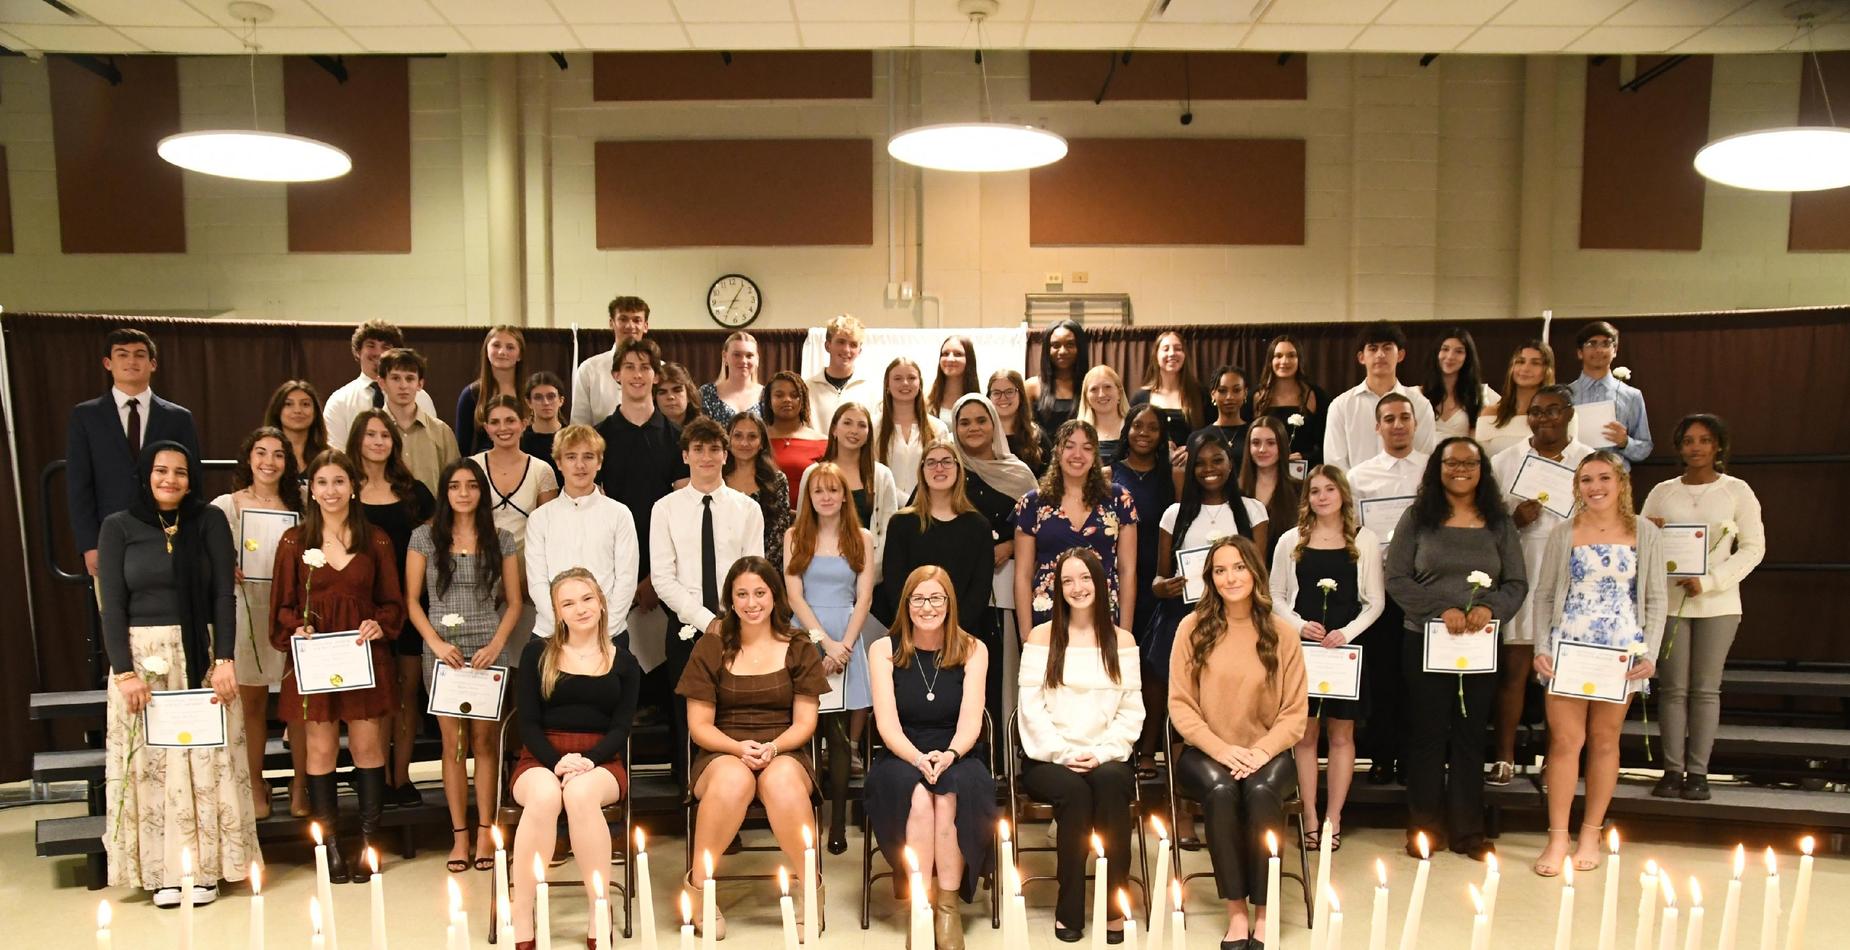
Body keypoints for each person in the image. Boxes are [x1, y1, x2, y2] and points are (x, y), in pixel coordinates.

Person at [101, 441, 255, 904]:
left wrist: (224, 659)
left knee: (206, 762)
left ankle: (205, 869)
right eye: (161, 471)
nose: (171, 480)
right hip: (143, 660)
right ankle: (165, 872)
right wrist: (125, 673)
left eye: (181, 472)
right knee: (154, 765)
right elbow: (111, 606)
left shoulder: (208, 521)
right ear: (146, 474)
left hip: (202, 652)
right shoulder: (118, 527)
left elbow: (222, 597)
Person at [1384, 438, 1526, 860]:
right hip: (1425, 640)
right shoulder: (1418, 518)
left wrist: (1489, 608)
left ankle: (1469, 833)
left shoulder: (1500, 522)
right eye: (1452, 462)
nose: (1461, 468)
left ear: (1482, 469)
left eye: (1470, 462)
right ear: (1437, 468)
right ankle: (1424, 830)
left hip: (1480, 645)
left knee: (1469, 736)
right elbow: (1396, 579)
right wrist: (1439, 609)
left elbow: (1516, 583)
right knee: (1427, 735)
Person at [271, 449, 407, 883]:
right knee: (321, 750)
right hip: (316, 663)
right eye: (322, 482)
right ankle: (329, 846)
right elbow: (282, 607)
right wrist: (298, 628)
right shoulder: (294, 542)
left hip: (364, 659)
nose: (330, 491)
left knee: (368, 749)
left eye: (339, 482)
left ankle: (369, 842)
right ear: (310, 488)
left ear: (354, 486)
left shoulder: (377, 540)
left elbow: (392, 603)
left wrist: (378, 624)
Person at [675, 557, 828, 939]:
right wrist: (737, 748)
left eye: (760, 593)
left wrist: (773, 748)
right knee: (732, 782)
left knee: (780, 783)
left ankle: (810, 891)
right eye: (741, 594)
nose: (751, 602)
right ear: (730, 598)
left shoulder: (799, 646)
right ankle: (700, 890)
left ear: (775, 596)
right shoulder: (711, 647)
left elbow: (805, 724)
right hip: (721, 748)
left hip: (785, 747)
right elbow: (699, 727)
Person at [1167, 536, 1307, 948]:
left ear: (1255, 572)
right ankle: (1237, 913)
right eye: (1220, 570)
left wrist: (1261, 751)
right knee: (1223, 790)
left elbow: (1295, 713)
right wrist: (1223, 750)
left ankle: (1266, 912)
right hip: (1207, 752)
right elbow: (1181, 706)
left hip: (1270, 751)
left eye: (1239, 567)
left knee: (1262, 791)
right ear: (1210, 578)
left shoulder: (1283, 634)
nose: (1231, 577)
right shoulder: (1192, 628)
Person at [1530, 453, 1666, 877]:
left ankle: (1591, 831)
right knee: (1564, 742)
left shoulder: (1644, 531)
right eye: (1586, 479)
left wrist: (1650, 653)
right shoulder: (1562, 532)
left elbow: (1657, 599)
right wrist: (1541, 646)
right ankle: (1557, 836)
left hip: (1620, 651)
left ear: (1621, 483)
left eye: (1604, 477)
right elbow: (1546, 595)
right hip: (1569, 647)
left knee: (1605, 741)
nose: (1595, 486)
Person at [865, 566, 996, 950]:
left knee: (950, 796)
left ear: (949, 603)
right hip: (901, 752)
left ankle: (948, 910)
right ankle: (921, 908)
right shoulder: (883, 650)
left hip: (960, 751)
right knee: (920, 799)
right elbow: (886, 724)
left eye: (936, 598)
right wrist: (918, 758)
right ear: (906, 605)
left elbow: (972, 721)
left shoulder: (973, 649)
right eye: (918, 598)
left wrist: (951, 754)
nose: (927, 607)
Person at [510, 569, 641, 950]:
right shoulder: (538, 653)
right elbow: (528, 723)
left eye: (586, 598)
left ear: (600, 601)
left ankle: (599, 907)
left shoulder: (625, 661)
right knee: (546, 797)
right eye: (568, 603)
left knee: (581, 795)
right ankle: (521, 907)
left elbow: (621, 727)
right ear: (556, 612)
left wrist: (589, 761)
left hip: (601, 759)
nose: (580, 608)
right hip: (541, 755)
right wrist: (556, 762)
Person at [1018, 548, 1142, 944]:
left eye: (1085, 578)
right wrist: (1064, 754)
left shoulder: (1122, 641)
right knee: (1073, 791)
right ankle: (1069, 906)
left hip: (1107, 753)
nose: (1077, 588)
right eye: (1067, 581)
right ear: (1058, 589)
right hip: (1049, 757)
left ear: (1101, 582)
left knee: (1109, 784)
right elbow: (1031, 709)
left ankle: (1113, 907)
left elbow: (1131, 711)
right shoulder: (1041, 637)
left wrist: (1103, 752)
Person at [1640, 414, 1766, 802]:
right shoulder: (1662, 491)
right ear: (1679, 447)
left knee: (1706, 690)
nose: (1696, 447)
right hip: (1671, 603)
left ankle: (1699, 773)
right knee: (1673, 689)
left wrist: (1710, 582)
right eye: (1688, 440)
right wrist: (1651, 531)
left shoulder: (1736, 490)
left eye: (1704, 440)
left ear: (1718, 447)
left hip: (1719, 604)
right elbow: (1639, 542)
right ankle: (1672, 770)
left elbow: (1753, 547)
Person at [405, 458, 521, 872]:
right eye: (455, 486)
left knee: (486, 744)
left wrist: (496, 644)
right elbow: (412, 602)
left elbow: (515, 601)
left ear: (481, 492)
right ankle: (460, 837)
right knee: (452, 745)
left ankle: (487, 833)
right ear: (445, 492)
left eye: (472, 486)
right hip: (443, 654)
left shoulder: (502, 539)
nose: (464, 493)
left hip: (488, 650)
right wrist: (435, 643)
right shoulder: (423, 537)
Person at [1270, 466, 1384, 853]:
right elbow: (1276, 596)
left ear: (1343, 494)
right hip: (1304, 648)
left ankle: (1334, 817)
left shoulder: (1363, 540)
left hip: (1345, 651)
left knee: (1341, 735)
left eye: (1329, 489)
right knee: (1304, 734)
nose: (1321, 497)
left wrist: (1346, 633)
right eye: (1314, 491)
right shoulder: (1291, 540)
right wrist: (1300, 626)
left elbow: (1375, 602)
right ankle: (1310, 816)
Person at [1486, 385, 1593, 786]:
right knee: (1514, 671)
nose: (1544, 419)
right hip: (1523, 566)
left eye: (1553, 411)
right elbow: (1488, 519)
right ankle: (1504, 758)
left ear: (1568, 413)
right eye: (1536, 412)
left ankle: (1557, 760)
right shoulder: (1505, 461)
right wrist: (1513, 520)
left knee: (1561, 675)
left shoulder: (1588, 460)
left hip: (1572, 570)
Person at [1147, 431, 1267, 777]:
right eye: (1199, 463)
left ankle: (1235, 777)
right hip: (1185, 619)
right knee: (1186, 707)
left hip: (1238, 623)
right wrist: (1164, 588)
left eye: (1217, 460)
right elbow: (1158, 579)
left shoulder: (1252, 511)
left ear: (1231, 464)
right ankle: (1181, 798)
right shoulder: (1174, 514)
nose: (1209, 469)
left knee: (1226, 707)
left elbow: (1261, 574)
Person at [652, 418, 767, 782]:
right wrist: (708, 622)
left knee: (731, 714)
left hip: (738, 627)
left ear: (725, 454)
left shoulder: (746, 508)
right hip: (686, 626)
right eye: (698, 449)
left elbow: (754, 573)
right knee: (686, 715)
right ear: (685, 455)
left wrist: (731, 621)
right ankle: (691, 796)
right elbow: (662, 578)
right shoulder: (665, 508)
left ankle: (734, 793)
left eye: (714, 449)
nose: (706, 457)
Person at [785, 462, 879, 856]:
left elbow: (865, 597)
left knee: (840, 741)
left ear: (844, 495)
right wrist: (822, 643)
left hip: (847, 638)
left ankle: (837, 824)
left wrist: (845, 645)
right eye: (818, 490)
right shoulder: (795, 536)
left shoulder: (861, 537)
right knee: (807, 736)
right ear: (809, 496)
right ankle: (808, 822)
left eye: (832, 490)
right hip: (807, 637)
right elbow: (794, 596)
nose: (825, 497)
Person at [346, 408, 438, 807]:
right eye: (371, 435)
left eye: (385, 435)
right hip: (368, 609)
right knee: (377, 695)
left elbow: (439, 541)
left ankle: (401, 777)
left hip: (412, 601)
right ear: (358, 441)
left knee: (407, 691)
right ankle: (374, 774)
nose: (379, 442)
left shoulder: (414, 491)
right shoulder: (345, 490)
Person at [210, 427, 302, 820]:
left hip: (291, 612)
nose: (269, 461)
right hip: (244, 610)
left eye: (278, 454)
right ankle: (255, 784)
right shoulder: (225, 507)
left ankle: (302, 783)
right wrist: (224, 567)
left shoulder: (301, 505)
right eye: (261, 452)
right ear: (248, 458)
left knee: (298, 705)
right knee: (251, 706)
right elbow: (207, 558)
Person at [68, 328, 203, 580]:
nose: (131, 361)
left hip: (166, 531)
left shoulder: (178, 417)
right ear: (108, 363)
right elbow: (79, 486)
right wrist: (89, 544)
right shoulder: (85, 416)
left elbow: (193, 481)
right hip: (109, 534)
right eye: (122, 354)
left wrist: (191, 535)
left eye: (140, 355)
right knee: (112, 612)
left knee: (166, 608)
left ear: (152, 364)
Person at [880, 442, 997, 722]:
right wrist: (921, 630)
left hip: (961, 641)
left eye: (947, 461)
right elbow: (895, 586)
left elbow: (979, 590)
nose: (939, 468)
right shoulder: (901, 524)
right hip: (911, 641)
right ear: (921, 471)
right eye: (931, 462)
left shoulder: (978, 526)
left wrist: (950, 634)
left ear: (959, 470)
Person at [1345, 394, 1428, 787]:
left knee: (1418, 679)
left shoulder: (1432, 470)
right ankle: (1381, 757)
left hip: (1422, 587)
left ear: (1415, 423)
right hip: (1378, 587)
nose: (1398, 425)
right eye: (1389, 419)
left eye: (1404, 418)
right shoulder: (1359, 477)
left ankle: (1415, 761)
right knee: (1382, 676)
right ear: (1377, 427)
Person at [596, 337, 690, 638]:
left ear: (656, 376)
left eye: (645, 368)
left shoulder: (679, 439)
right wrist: (621, 579)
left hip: (667, 572)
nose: (637, 375)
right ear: (616, 375)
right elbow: (595, 514)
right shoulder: (598, 438)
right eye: (629, 367)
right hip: (610, 571)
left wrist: (656, 579)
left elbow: (683, 514)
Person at [1013, 420, 1139, 638]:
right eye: (1070, 446)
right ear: (1057, 451)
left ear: (1096, 454)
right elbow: (1022, 574)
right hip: (1048, 611)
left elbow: (1128, 571)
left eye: (1087, 447)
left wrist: (1125, 633)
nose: (1078, 454)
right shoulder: (1032, 503)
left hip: (1104, 610)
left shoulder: (1119, 499)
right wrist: (1026, 636)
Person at [526, 425, 638, 648]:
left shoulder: (619, 514)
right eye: (570, 457)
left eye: (588, 457)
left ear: (599, 462)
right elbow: (537, 582)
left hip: (608, 633)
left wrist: (602, 628)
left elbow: (626, 579)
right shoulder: (540, 518)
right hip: (552, 632)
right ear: (558, 462)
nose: (580, 465)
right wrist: (566, 625)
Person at [1322, 321, 1437, 472]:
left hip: (1408, 493)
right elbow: (1335, 464)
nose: (1380, 354)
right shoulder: (1341, 406)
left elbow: (1426, 457)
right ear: (1361, 357)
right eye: (1373, 348)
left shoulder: (1420, 405)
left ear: (1400, 355)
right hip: (1355, 493)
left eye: (1387, 348)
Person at [798, 403, 901, 567]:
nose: (854, 430)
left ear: (869, 434)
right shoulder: (812, 473)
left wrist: (868, 574)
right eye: (847, 423)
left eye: (862, 425)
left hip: (869, 570)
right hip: (820, 569)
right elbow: (803, 526)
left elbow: (889, 531)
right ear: (834, 429)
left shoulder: (882, 476)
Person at [1110, 404, 1175, 651]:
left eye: (1152, 428)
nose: (1143, 433)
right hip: (1119, 576)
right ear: (1127, 429)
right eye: (1137, 426)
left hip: (1158, 578)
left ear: (1162, 435)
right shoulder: (1109, 474)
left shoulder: (1173, 475)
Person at [324, 319, 440, 450]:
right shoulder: (339, 401)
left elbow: (431, 445)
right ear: (358, 351)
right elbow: (337, 455)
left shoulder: (420, 397)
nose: (378, 353)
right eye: (371, 345)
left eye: (386, 347)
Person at [470, 395, 561, 555]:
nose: (503, 428)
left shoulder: (541, 470)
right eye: (495, 422)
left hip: (528, 565)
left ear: (524, 424)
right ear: (486, 428)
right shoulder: (472, 467)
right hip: (479, 564)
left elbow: (549, 531)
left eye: (510, 420)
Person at [1567, 321, 1653, 469]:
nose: (1599, 350)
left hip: (1616, 480)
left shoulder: (1632, 396)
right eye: (1592, 344)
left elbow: (1645, 447)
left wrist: (1625, 442)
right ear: (1580, 352)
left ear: (1615, 350)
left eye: (1606, 344)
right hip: (1572, 477)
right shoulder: (1565, 395)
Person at [377, 347, 461, 496]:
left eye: (410, 378)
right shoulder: (369, 433)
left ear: (420, 384)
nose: (403, 385)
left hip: (433, 518)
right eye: (395, 378)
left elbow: (455, 484)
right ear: (382, 383)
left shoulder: (441, 432)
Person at [724, 412, 794, 574]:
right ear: (728, 440)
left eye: (752, 437)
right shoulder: (717, 478)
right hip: (722, 569)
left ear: (761, 443)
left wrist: (755, 571)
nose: (744, 443)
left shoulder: (777, 480)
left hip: (764, 570)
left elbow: (778, 536)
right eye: (738, 436)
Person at [570, 295, 651, 427]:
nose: (630, 326)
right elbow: (579, 426)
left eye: (637, 320)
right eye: (623, 319)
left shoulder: (659, 368)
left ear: (645, 326)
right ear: (611, 323)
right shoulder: (589, 369)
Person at [874, 357, 946, 500]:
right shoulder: (873, 426)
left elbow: (943, 472)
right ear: (887, 385)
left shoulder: (937, 428)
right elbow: (872, 475)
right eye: (898, 378)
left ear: (920, 384)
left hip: (929, 509)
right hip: (884, 511)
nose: (905, 383)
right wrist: (906, 502)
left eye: (911, 378)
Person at [1250, 334, 1327, 467]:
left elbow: (1327, 445)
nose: (1284, 361)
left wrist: (1304, 457)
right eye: (1278, 356)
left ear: (1299, 360)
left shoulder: (1316, 395)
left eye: (1291, 355)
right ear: (1270, 361)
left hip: (1303, 473)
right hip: (1264, 471)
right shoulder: (1256, 396)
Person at [1130, 329, 1207, 460]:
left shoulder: (1200, 394)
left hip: (1191, 471)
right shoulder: (1140, 397)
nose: (1172, 353)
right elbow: (1131, 438)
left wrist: (1192, 450)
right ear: (1156, 355)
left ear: (1184, 355)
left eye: (1178, 348)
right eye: (1166, 349)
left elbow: (1211, 435)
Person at [1475, 341, 1555, 459]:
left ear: (1547, 371)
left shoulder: (1558, 416)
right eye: (1520, 361)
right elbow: (1480, 460)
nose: (1525, 368)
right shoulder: (1490, 414)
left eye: (1535, 363)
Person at [455, 324, 528, 455]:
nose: (502, 352)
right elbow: (462, 448)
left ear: (520, 355)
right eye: (496, 345)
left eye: (510, 347)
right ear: (486, 350)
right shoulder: (471, 394)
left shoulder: (531, 393)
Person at [1240, 417, 1300, 566]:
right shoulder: (1235, 491)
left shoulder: (1300, 490)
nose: (1262, 449)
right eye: (1256, 443)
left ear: (1282, 446)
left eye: (1271, 443)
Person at [764, 370, 829, 507]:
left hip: (810, 521)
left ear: (803, 400)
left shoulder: (822, 442)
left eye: (794, 395)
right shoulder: (758, 439)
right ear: (769, 401)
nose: (787, 399)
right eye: (779, 395)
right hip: (764, 519)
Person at [1423, 329, 1496, 441]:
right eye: (1445, 349)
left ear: (1468, 357)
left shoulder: (1482, 393)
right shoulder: (1417, 394)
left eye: (1459, 351)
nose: (1450, 356)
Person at [808, 313, 876, 427]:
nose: (846, 350)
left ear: (859, 351)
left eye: (853, 344)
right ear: (827, 345)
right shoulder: (808, 388)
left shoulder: (871, 390)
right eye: (841, 342)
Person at [1026, 320, 1087, 437]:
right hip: (1042, 454)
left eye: (1070, 344)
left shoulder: (1090, 385)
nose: (1063, 351)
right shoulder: (1031, 387)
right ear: (1047, 349)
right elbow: (1024, 430)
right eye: (1055, 345)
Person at [263, 379, 330, 478]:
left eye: (305, 404)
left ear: (315, 412)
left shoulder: (328, 457)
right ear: (277, 411)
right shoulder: (262, 455)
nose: (297, 410)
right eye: (289, 404)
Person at [988, 369, 1049, 476]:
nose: (1003, 398)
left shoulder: (1037, 437)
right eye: (996, 393)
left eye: (1009, 392)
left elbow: (1048, 479)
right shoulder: (982, 435)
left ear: (1020, 395)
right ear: (989, 397)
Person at [699, 330, 764, 425]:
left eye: (749, 355)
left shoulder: (767, 395)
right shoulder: (707, 393)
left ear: (757, 359)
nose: (743, 361)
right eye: (737, 355)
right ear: (725, 357)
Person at [1193, 364, 1250, 469]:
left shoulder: (1254, 435)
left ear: (1245, 393)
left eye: (1236, 390)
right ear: (1213, 395)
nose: (1229, 397)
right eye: (1222, 391)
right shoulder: (1197, 438)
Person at [520, 371, 567, 486]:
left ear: (561, 400)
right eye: (538, 397)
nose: (546, 403)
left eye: (551, 396)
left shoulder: (573, 438)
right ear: (529, 402)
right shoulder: (520, 440)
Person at [1076, 365, 1129, 462]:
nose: (1101, 394)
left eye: (1107, 387)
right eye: (1094, 389)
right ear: (1086, 398)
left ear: (1119, 393)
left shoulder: (1134, 429)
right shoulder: (1077, 433)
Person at [927, 335, 979, 423]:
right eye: (945, 354)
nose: (950, 359)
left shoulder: (981, 401)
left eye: (958, 354)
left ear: (969, 359)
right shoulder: (926, 401)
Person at [657, 362, 705, 430]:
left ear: (689, 395)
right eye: (662, 392)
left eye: (677, 390)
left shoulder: (706, 432)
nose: (670, 397)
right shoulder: (646, 432)